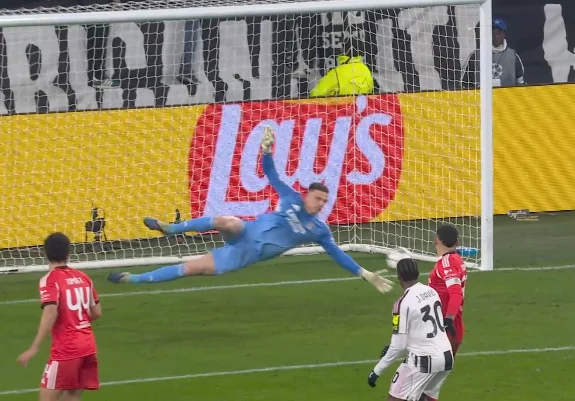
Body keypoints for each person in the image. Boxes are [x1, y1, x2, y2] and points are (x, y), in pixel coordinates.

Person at [108, 127, 392, 293]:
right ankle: (171, 228)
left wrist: (364, 273)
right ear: (307, 195)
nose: (320, 204)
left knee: (191, 269)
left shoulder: (318, 230)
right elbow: (271, 173)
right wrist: (266, 151)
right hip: (245, 231)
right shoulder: (290, 197)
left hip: (244, 254)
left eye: (324, 201)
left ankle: (135, 278)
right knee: (228, 221)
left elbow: (337, 254)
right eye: (318, 198)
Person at [17, 232, 102, 401]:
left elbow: (51, 312)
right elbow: (97, 312)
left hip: (66, 349)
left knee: (46, 398)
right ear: (68, 253)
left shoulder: (49, 280)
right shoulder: (83, 277)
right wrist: (76, 320)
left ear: (45, 253)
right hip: (87, 345)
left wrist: (34, 347)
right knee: (72, 395)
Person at [367, 258, 454, 401]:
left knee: (394, 398)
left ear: (399, 277)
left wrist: (377, 371)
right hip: (446, 356)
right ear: (417, 273)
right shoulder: (431, 292)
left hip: (424, 360)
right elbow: (423, 329)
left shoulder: (402, 304)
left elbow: (398, 346)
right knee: (423, 398)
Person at [427, 224, 467, 356]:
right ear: (457, 242)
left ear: (436, 240)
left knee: (423, 367)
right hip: (452, 325)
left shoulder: (447, 263)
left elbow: (456, 294)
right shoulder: (456, 260)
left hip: (444, 327)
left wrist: (448, 320)